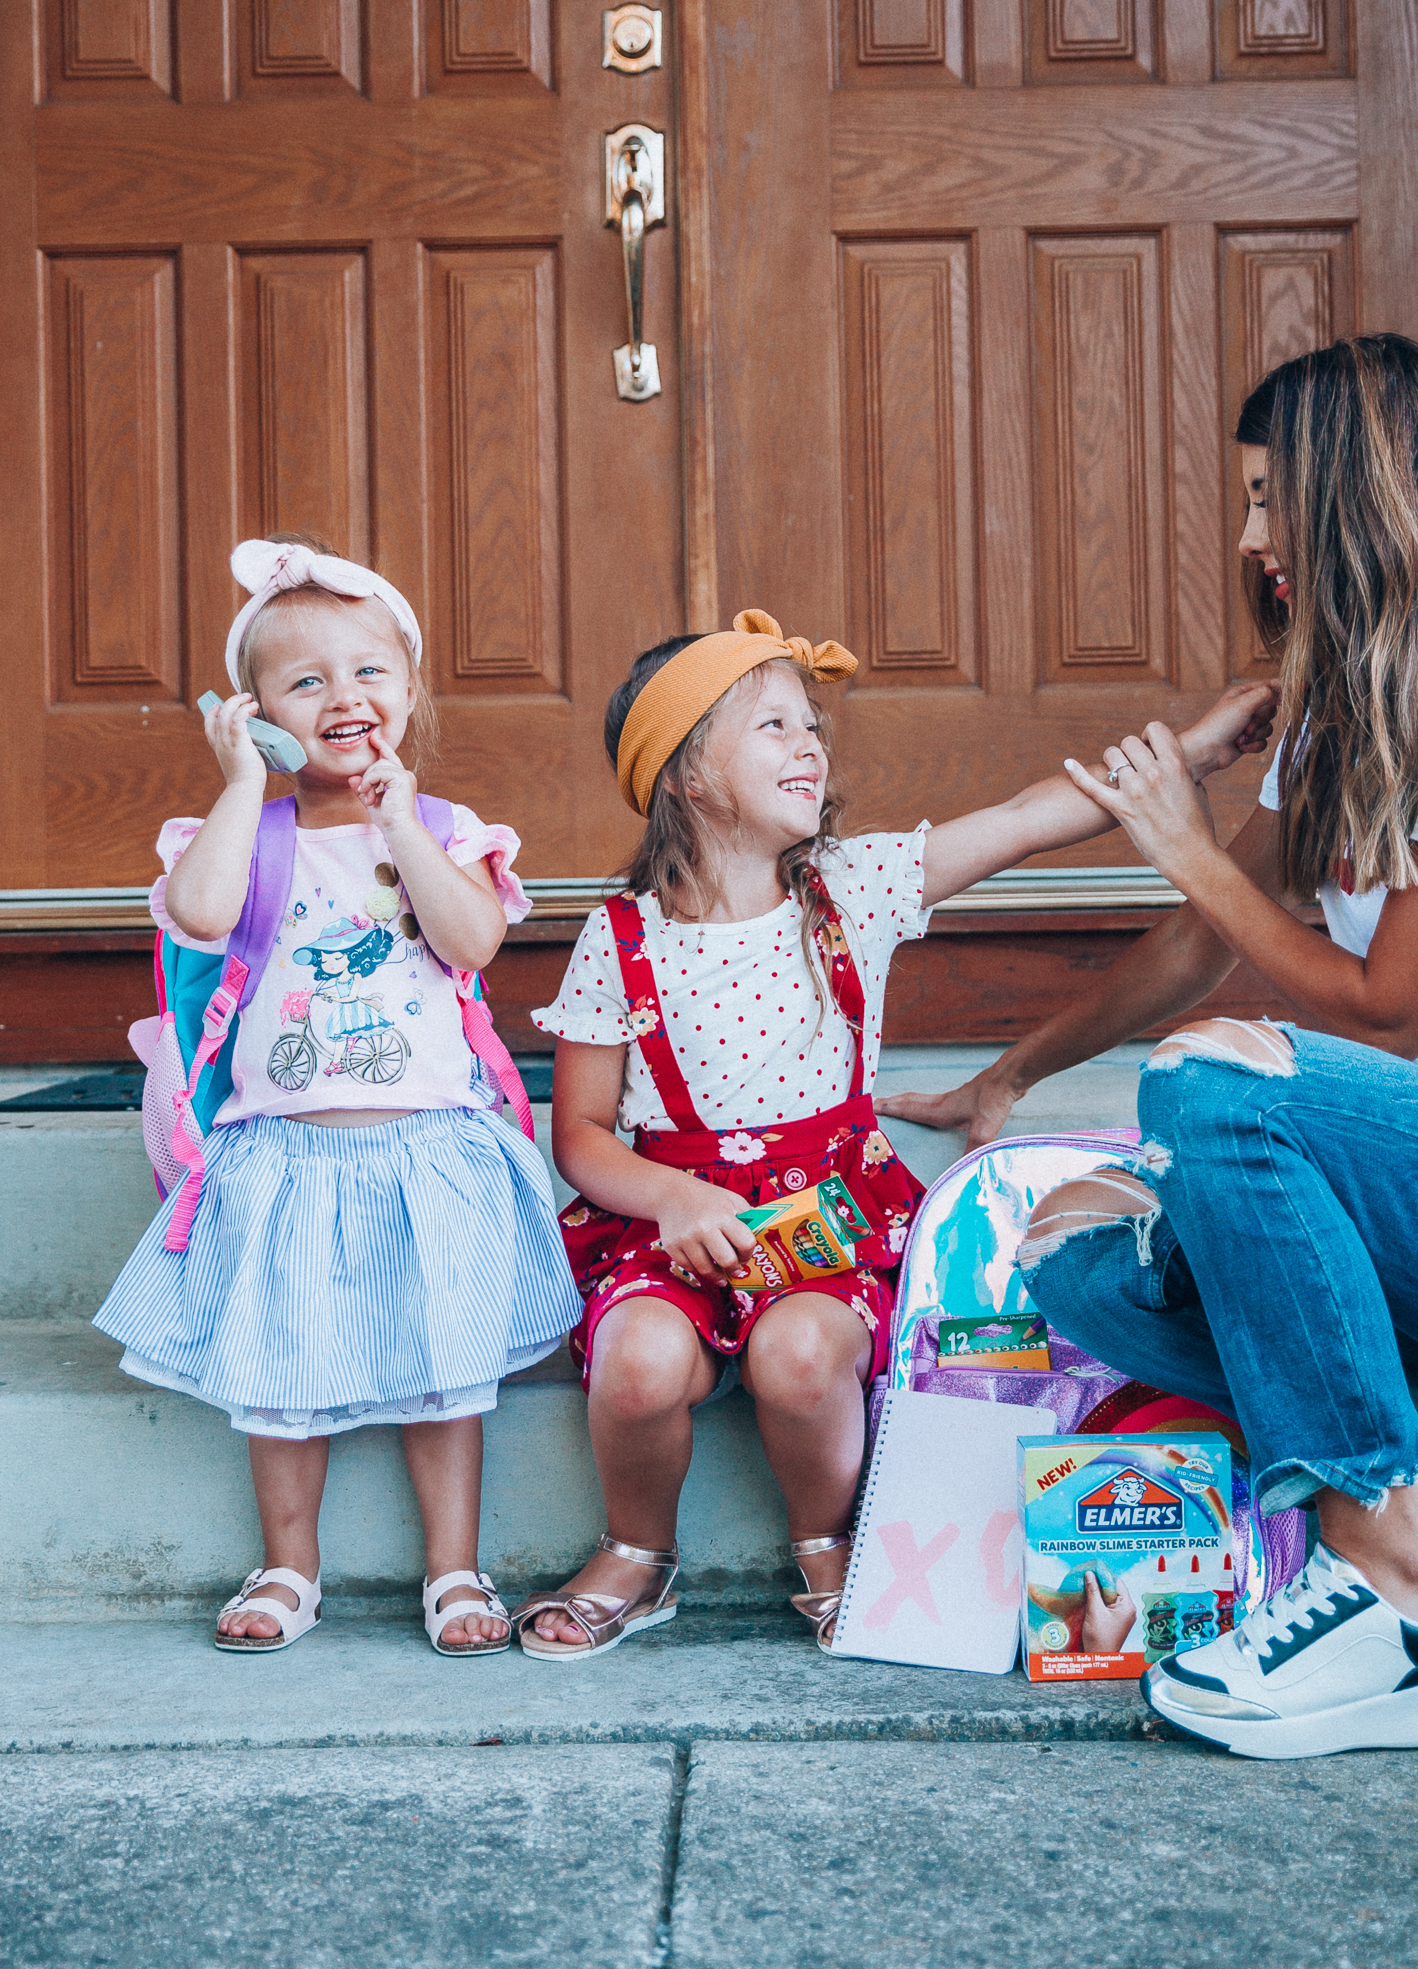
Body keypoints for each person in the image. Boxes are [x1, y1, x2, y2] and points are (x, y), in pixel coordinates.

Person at [883, 336, 1418, 1756]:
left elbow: (1393, 1010)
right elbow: (1203, 944)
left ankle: (1406, 1600)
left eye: (1265, 498)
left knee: (1224, 1081)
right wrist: (1013, 1074)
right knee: (1075, 1254)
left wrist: (1179, 843)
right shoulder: (1348, 705)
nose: (1246, 537)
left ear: (1361, 495)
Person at [518, 611, 1277, 1660]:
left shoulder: (848, 889)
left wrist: (1187, 749)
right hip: (673, 1226)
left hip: (822, 1222)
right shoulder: (619, 938)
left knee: (798, 1356)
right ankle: (636, 1551)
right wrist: (673, 1198)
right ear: (684, 776)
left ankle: (830, 1543)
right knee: (638, 1364)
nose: (808, 744)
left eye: (809, 723)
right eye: (771, 725)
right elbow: (584, 1136)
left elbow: (1023, 816)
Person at [94, 536, 581, 1658]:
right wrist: (239, 783)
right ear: (254, 710)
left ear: (408, 692)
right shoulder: (242, 830)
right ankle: (288, 1562)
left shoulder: (448, 830)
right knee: (277, 1376)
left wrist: (402, 822)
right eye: (303, 682)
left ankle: (454, 1567)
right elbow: (203, 915)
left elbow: (473, 938)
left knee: (445, 1377)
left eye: (367, 672)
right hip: (286, 1152)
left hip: (428, 1147)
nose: (342, 697)